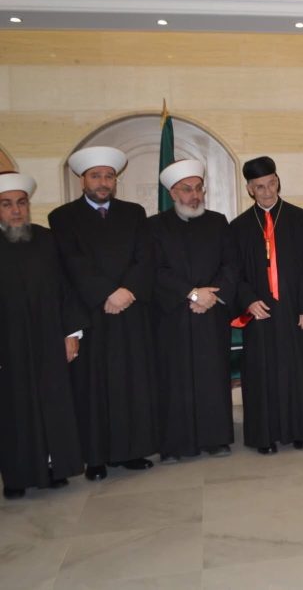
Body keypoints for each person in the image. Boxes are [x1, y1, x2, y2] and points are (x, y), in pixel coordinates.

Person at [49, 146, 159, 481]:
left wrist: (128, 291)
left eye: (109, 176)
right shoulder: (63, 217)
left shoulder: (134, 213)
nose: (103, 182)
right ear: (82, 180)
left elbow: (145, 257)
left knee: (131, 384)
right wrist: (106, 293)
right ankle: (94, 457)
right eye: (95, 176)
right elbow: (72, 264)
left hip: (130, 313)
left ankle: (131, 451)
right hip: (90, 314)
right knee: (92, 388)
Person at [230, 156, 303, 453]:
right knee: (263, 375)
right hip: (260, 314)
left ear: (278, 182)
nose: (267, 191)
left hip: (296, 312)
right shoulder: (239, 227)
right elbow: (233, 272)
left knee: (298, 372)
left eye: (271, 184)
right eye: (260, 187)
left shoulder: (300, 219)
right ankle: (265, 436)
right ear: (250, 189)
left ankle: (302, 431)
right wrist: (248, 300)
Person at [0, 173, 84, 499]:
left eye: (21, 203)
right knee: (14, 409)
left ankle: (54, 468)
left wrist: (71, 333)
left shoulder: (47, 239)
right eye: (7, 204)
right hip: (8, 344)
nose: (16, 211)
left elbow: (66, 287)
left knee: (52, 403)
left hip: (49, 337)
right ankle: (17, 476)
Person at [149, 159, 238, 461]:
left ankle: (216, 438)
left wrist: (212, 295)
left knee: (212, 375)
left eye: (199, 188)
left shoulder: (217, 222)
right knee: (175, 379)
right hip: (174, 315)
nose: (195, 195)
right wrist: (192, 293)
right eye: (187, 190)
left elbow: (230, 265)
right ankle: (176, 444)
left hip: (211, 314)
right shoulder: (155, 226)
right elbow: (156, 270)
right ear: (173, 193)